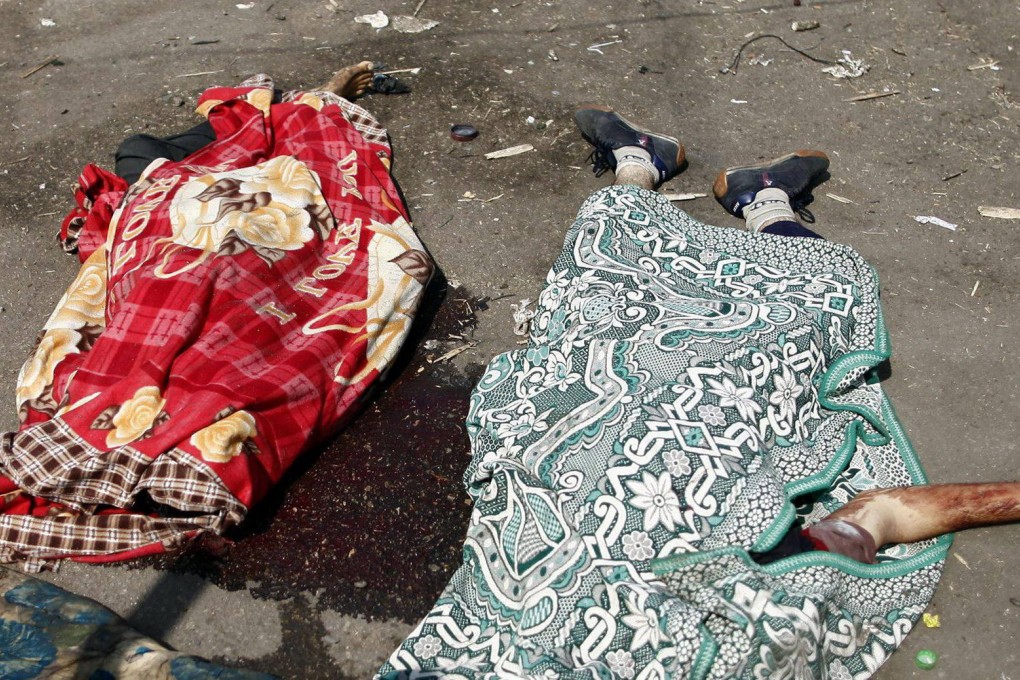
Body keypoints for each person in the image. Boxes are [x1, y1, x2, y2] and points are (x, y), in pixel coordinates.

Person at [379, 107, 1020, 679]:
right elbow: (882, 515)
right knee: (796, 320)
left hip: (572, 433)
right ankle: (764, 201)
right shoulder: (752, 626)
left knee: (598, 298)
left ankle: (640, 162)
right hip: (716, 423)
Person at [0, 61, 432, 569]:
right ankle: (286, 111)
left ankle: (285, 112)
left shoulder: (162, 165)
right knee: (179, 211)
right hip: (203, 197)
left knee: (181, 208)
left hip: (213, 200)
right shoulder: (166, 165)